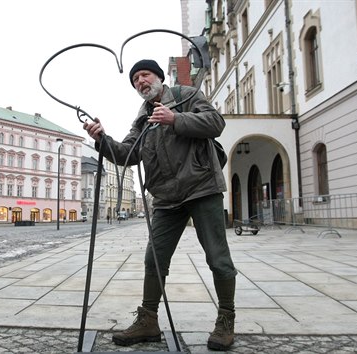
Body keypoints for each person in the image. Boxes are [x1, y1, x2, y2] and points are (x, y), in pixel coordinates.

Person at [83, 59, 237, 351]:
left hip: (202, 188)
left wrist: (175, 119)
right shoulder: (142, 119)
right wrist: (102, 140)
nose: (140, 81)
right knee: (153, 259)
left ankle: (226, 320)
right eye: (135, 80)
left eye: (145, 75)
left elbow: (216, 123)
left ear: (158, 77)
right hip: (166, 198)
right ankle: (148, 321)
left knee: (217, 257)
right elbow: (128, 155)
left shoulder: (186, 96)